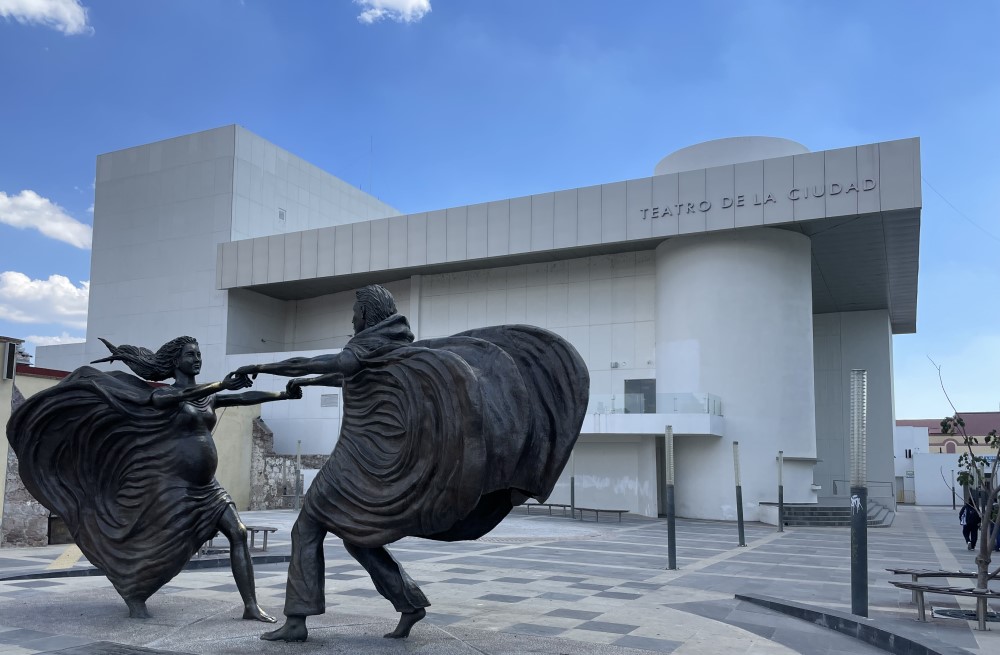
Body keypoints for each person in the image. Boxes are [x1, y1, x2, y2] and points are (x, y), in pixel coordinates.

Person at [235, 284, 589, 642]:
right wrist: (308, 382)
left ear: (367, 315)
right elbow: (351, 372)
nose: (353, 318)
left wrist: (263, 366)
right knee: (359, 537)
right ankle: (408, 603)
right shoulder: (390, 344)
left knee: (308, 525)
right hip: (367, 456)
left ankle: (297, 621)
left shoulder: (366, 345)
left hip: (359, 459)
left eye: (356, 312)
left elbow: (341, 364)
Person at [6, 336, 300, 620]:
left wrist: (282, 394)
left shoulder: (208, 396)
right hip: (171, 486)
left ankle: (251, 606)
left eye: (198, 354)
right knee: (158, 547)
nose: (197, 359)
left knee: (238, 532)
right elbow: (175, 396)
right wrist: (221, 383)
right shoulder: (162, 394)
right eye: (190, 355)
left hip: (207, 487)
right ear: (175, 361)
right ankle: (134, 593)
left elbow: (242, 398)